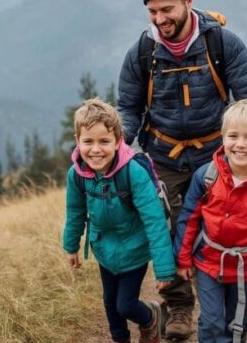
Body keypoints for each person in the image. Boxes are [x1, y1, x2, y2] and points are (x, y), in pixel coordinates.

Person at [117, 0, 247, 338]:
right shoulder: (142, 52)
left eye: (168, 9)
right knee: (168, 231)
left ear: (188, 2)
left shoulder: (221, 43)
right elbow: (128, 107)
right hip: (163, 156)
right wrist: (117, 144)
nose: (160, 18)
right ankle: (178, 307)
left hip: (218, 155)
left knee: (215, 225)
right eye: (153, 11)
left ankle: (224, 302)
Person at [172, 99, 247, 343]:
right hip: (207, 265)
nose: (240, 144)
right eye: (233, 136)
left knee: (237, 325)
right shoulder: (206, 176)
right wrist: (182, 260)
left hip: (246, 269)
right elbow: (188, 219)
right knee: (211, 322)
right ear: (223, 138)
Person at [63, 98, 175, 343]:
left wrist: (163, 267)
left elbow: (154, 220)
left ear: (118, 140)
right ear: (77, 140)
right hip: (104, 248)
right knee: (110, 304)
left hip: (134, 249)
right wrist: (71, 246)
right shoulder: (77, 174)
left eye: (104, 141)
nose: (96, 149)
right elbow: (75, 212)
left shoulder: (133, 172)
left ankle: (150, 317)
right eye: (88, 141)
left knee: (125, 305)